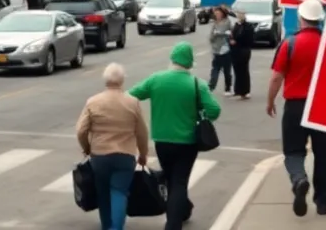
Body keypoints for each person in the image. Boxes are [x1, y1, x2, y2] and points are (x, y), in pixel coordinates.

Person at [128, 42, 221, 230]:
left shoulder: (156, 80)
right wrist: (200, 115)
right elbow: (214, 110)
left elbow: (130, 95)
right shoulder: (197, 84)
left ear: (172, 60)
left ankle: (183, 209)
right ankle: (173, 223)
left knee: (171, 178)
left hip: (162, 140)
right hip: (187, 142)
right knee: (179, 181)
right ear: (189, 63)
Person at [266, 0, 326, 217]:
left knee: (293, 151)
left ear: (302, 18)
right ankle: (322, 203)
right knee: (324, 155)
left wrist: (270, 101)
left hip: (295, 106)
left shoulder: (290, 43)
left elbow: (277, 77)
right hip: (323, 107)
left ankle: (299, 179)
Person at [75, 63, 149, 230]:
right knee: (119, 191)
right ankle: (116, 227)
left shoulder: (93, 102)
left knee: (103, 193)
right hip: (124, 155)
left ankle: (106, 225)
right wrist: (143, 154)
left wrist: (87, 147)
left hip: (99, 155)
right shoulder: (133, 102)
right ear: (122, 80)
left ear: (105, 80)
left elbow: (81, 130)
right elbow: (142, 133)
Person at [230, 10, 256, 100]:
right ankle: (238, 90)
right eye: (238, 14)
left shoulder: (248, 26)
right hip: (235, 51)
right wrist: (231, 39)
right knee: (237, 70)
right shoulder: (236, 25)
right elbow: (232, 35)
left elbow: (248, 38)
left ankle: (245, 91)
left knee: (244, 70)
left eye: (241, 14)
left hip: (244, 50)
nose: (239, 16)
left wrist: (236, 41)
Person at [207, 6, 233, 96]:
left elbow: (226, 32)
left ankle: (228, 88)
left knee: (227, 70)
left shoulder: (227, 21)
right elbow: (211, 37)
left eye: (218, 13)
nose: (217, 15)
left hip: (225, 49)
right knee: (215, 69)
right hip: (216, 50)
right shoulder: (214, 23)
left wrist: (220, 33)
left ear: (222, 14)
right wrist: (215, 34)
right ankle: (211, 86)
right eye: (216, 14)